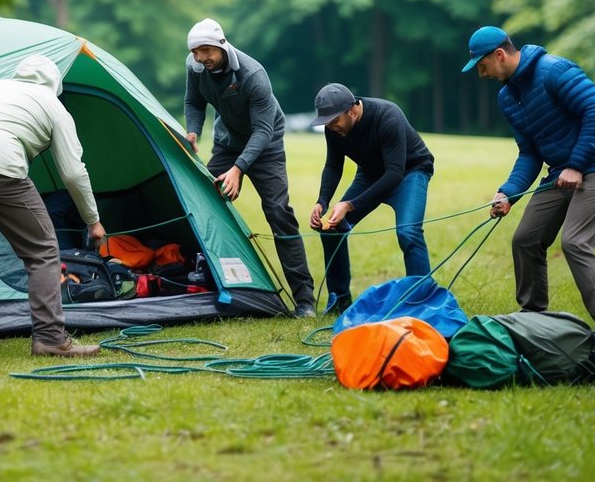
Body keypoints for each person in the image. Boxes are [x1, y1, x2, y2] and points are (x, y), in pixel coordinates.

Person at [463, 25, 595, 350]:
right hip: (561, 172)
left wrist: (576, 165)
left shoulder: (554, 70)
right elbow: (529, 152)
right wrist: (508, 192)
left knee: (575, 243)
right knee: (525, 240)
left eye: (482, 66)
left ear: (499, 55)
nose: (481, 75)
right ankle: (534, 321)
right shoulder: (507, 97)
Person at [0, 54, 106, 357]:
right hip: (1, 168)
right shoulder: (55, 107)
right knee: (42, 252)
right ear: (55, 83)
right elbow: (72, 172)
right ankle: (50, 338)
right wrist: (93, 220)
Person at [183, 18, 316, 317]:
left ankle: (305, 300)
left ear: (221, 45)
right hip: (227, 142)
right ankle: (208, 282)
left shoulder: (253, 74)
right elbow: (193, 101)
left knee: (279, 213)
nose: (202, 58)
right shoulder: (195, 68)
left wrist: (238, 169)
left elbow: (263, 131)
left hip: (265, 145)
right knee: (200, 200)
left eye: (206, 51)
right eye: (195, 52)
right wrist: (193, 131)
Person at [309, 83, 435, 314]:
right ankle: (340, 301)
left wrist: (350, 204)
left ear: (352, 111)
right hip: (370, 174)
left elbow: (395, 173)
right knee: (332, 229)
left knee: (408, 232)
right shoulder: (333, 128)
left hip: (410, 172)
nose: (330, 126)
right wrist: (322, 201)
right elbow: (333, 166)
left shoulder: (388, 116)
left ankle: (423, 302)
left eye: (334, 120)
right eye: (326, 121)